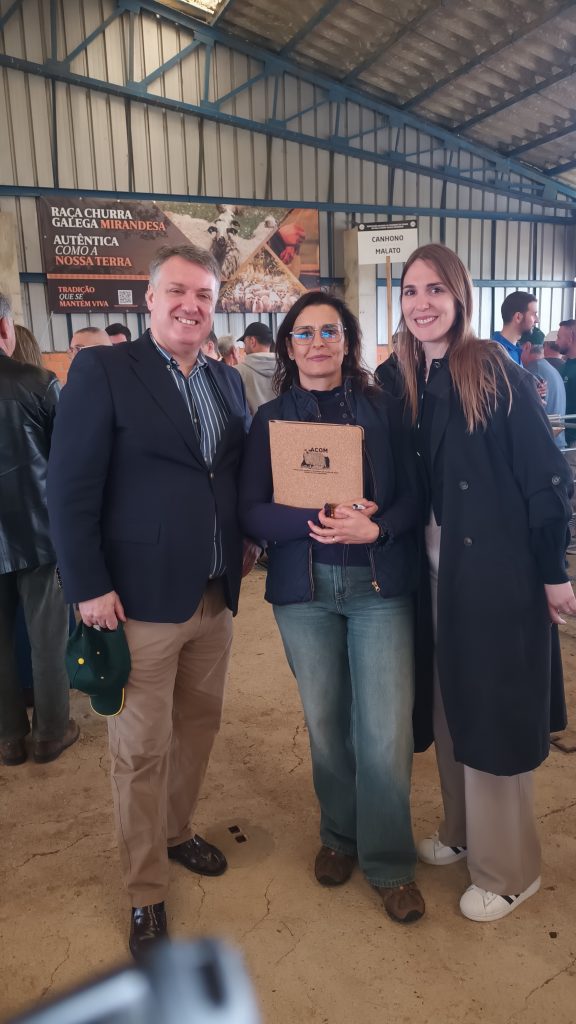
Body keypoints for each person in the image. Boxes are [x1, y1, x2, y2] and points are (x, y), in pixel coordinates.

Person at [47, 244, 259, 961]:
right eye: (177, 291)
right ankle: (145, 891)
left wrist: (249, 538)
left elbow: (228, 475)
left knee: (197, 729)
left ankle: (175, 831)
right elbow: (69, 488)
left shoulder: (226, 380)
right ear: (149, 298)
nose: (190, 306)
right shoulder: (104, 371)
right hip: (136, 602)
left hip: (214, 596)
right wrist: (87, 585)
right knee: (140, 750)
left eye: (203, 295)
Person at [394, 243, 575, 922]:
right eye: (410, 291)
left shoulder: (491, 370)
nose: (422, 303)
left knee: (494, 716)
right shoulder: (412, 374)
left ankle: (509, 871)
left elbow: (547, 476)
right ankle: (462, 829)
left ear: (461, 297)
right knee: (450, 707)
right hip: (438, 577)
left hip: (498, 577)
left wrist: (552, 572)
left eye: (435, 289)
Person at [240, 291, 425, 925]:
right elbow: (251, 510)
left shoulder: (385, 410)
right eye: (304, 333)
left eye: (330, 331)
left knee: (385, 731)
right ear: (288, 347)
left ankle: (390, 862)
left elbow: (415, 497)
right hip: (304, 593)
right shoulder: (269, 420)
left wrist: (378, 528)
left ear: (347, 341)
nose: (317, 343)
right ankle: (339, 837)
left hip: (377, 590)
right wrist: (312, 519)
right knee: (325, 724)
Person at [0, 292, 78, 767]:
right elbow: (68, 464)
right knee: (48, 638)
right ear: (5, 328)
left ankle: (9, 738)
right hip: (39, 536)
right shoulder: (39, 382)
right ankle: (50, 733)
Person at [520, 336, 566, 447]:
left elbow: (529, 412)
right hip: (557, 442)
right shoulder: (552, 370)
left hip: (543, 445)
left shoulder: (532, 373)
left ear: (526, 347)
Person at [236, 322, 276, 413]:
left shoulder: (237, 372)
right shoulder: (285, 369)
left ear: (252, 341)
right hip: (282, 422)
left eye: (244, 343)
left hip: (255, 422)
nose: (244, 349)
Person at [491, 291, 539, 365]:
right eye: (534, 314)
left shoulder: (516, 350)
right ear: (518, 317)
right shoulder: (495, 354)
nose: (537, 320)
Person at [555, 320, 576, 445]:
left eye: (559, 337)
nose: (556, 342)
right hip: (562, 436)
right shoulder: (563, 366)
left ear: (570, 339)